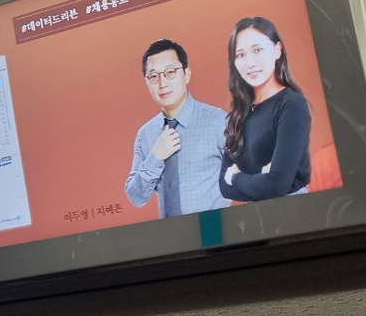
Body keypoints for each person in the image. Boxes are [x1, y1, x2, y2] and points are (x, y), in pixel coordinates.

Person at [125, 38, 231, 217]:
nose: (162, 83)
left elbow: (249, 177)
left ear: (186, 74)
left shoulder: (218, 121)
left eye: (170, 72)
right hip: (170, 234)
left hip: (214, 228)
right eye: (154, 76)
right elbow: (136, 197)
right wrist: (155, 157)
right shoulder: (146, 134)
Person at [219, 17, 312, 201]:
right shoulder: (240, 113)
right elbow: (224, 188)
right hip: (256, 214)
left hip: (293, 209)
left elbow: (277, 185)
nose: (250, 63)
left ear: (277, 50)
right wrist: (261, 180)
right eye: (240, 55)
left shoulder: (292, 105)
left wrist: (236, 177)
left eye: (257, 50)